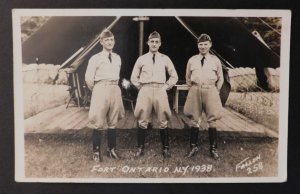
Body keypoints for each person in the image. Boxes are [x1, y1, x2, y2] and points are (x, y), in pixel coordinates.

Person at [130, 31, 178, 158]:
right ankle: (140, 148)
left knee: (163, 120)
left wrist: (166, 87)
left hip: (160, 89)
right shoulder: (142, 59)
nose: (154, 44)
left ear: (160, 44)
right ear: (148, 43)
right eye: (152, 41)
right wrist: (141, 87)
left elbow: (174, 76)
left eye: (157, 42)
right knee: (142, 120)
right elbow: (133, 77)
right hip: (145, 89)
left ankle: (165, 148)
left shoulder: (165, 58)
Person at [85, 29, 125, 162]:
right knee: (98, 121)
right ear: (101, 42)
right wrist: (97, 90)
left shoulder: (117, 58)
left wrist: (113, 87)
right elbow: (89, 79)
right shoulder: (95, 58)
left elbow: (117, 76)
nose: (110, 42)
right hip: (100, 88)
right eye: (107, 40)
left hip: (114, 88)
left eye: (112, 39)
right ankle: (96, 152)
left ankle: (111, 150)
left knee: (113, 121)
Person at [184, 33, 224, 160]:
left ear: (210, 45)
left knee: (212, 120)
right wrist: (192, 88)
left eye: (205, 44)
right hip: (195, 89)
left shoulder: (215, 60)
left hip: (210, 89)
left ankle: (213, 149)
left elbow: (221, 78)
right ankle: (193, 147)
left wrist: (215, 90)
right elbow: (187, 77)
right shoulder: (192, 60)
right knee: (194, 119)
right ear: (197, 45)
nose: (203, 47)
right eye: (200, 44)